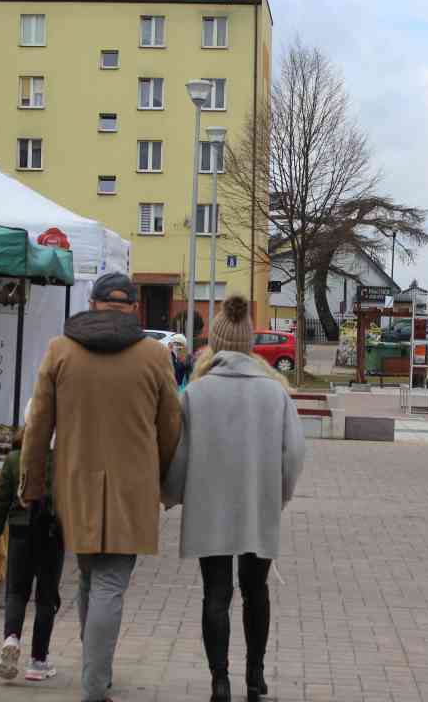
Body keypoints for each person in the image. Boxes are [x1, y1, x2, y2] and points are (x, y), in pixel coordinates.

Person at [21, 272, 181, 702]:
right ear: (133, 308)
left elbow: (38, 427)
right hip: (133, 487)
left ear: (92, 303)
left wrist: (32, 485)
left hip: (75, 485)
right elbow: (171, 427)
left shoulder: (60, 350)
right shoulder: (154, 355)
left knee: (91, 577)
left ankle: (96, 670)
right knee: (110, 582)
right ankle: (95, 685)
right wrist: (164, 478)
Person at [162, 296, 307, 702]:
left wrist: (172, 493)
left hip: (209, 505)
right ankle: (255, 677)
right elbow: (294, 454)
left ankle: (219, 682)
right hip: (258, 502)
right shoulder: (275, 393)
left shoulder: (196, 393)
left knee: (216, 593)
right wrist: (279, 495)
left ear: (217, 341)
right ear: (248, 343)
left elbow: (179, 453)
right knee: (256, 590)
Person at [0, 407, 63, 684]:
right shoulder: (63, 459)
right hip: (52, 535)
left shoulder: (14, 458)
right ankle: (38, 661)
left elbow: (0, 500)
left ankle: (11, 638)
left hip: (20, 531)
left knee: (16, 592)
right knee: (46, 597)